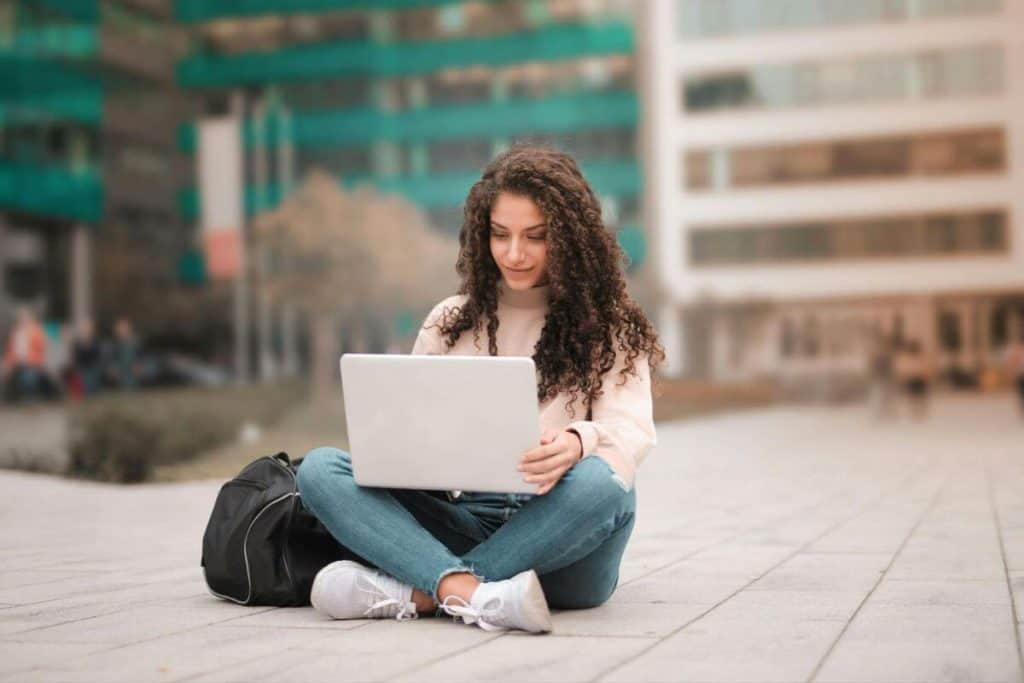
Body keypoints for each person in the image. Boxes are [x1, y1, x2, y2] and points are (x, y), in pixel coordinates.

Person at [296, 145, 664, 633]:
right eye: (500, 235)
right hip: (464, 518)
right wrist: (398, 447)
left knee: (608, 485)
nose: (514, 253)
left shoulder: (608, 325)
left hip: (564, 540)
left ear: (571, 238)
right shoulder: (451, 321)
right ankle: (475, 595)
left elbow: (632, 430)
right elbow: (405, 428)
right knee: (320, 469)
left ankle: (426, 591)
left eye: (535, 237)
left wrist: (580, 442)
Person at [2, 307, 55, 403]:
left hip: (32, 363)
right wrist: (7, 364)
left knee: (28, 377)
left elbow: (42, 349)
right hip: (17, 363)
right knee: (5, 374)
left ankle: (30, 399)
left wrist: (34, 361)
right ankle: (8, 400)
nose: (23, 320)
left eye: (26, 318)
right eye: (21, 318)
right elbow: (10, 351)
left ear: (31, 318)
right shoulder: (15, 333)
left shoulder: (36, 331)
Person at [895, 340, 932, 419]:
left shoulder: (922, 357)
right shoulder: (907, 358)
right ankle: (916, 412)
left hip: (919, 379)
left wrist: (926, 377)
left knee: (920, 398)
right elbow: (903, 370)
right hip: (912, 379)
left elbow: (927, 368)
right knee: (913, 398)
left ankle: (920, 413)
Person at [70, 318, 103, 396]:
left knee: (92, 388)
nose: (86, 330)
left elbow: (97, 355)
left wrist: (89, 347)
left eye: (88, 328)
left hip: (93, 367)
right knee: (85, 387)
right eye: (85, 328)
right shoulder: (77, 342)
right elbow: (76, 356)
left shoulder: (95, 341)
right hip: (82, 367)